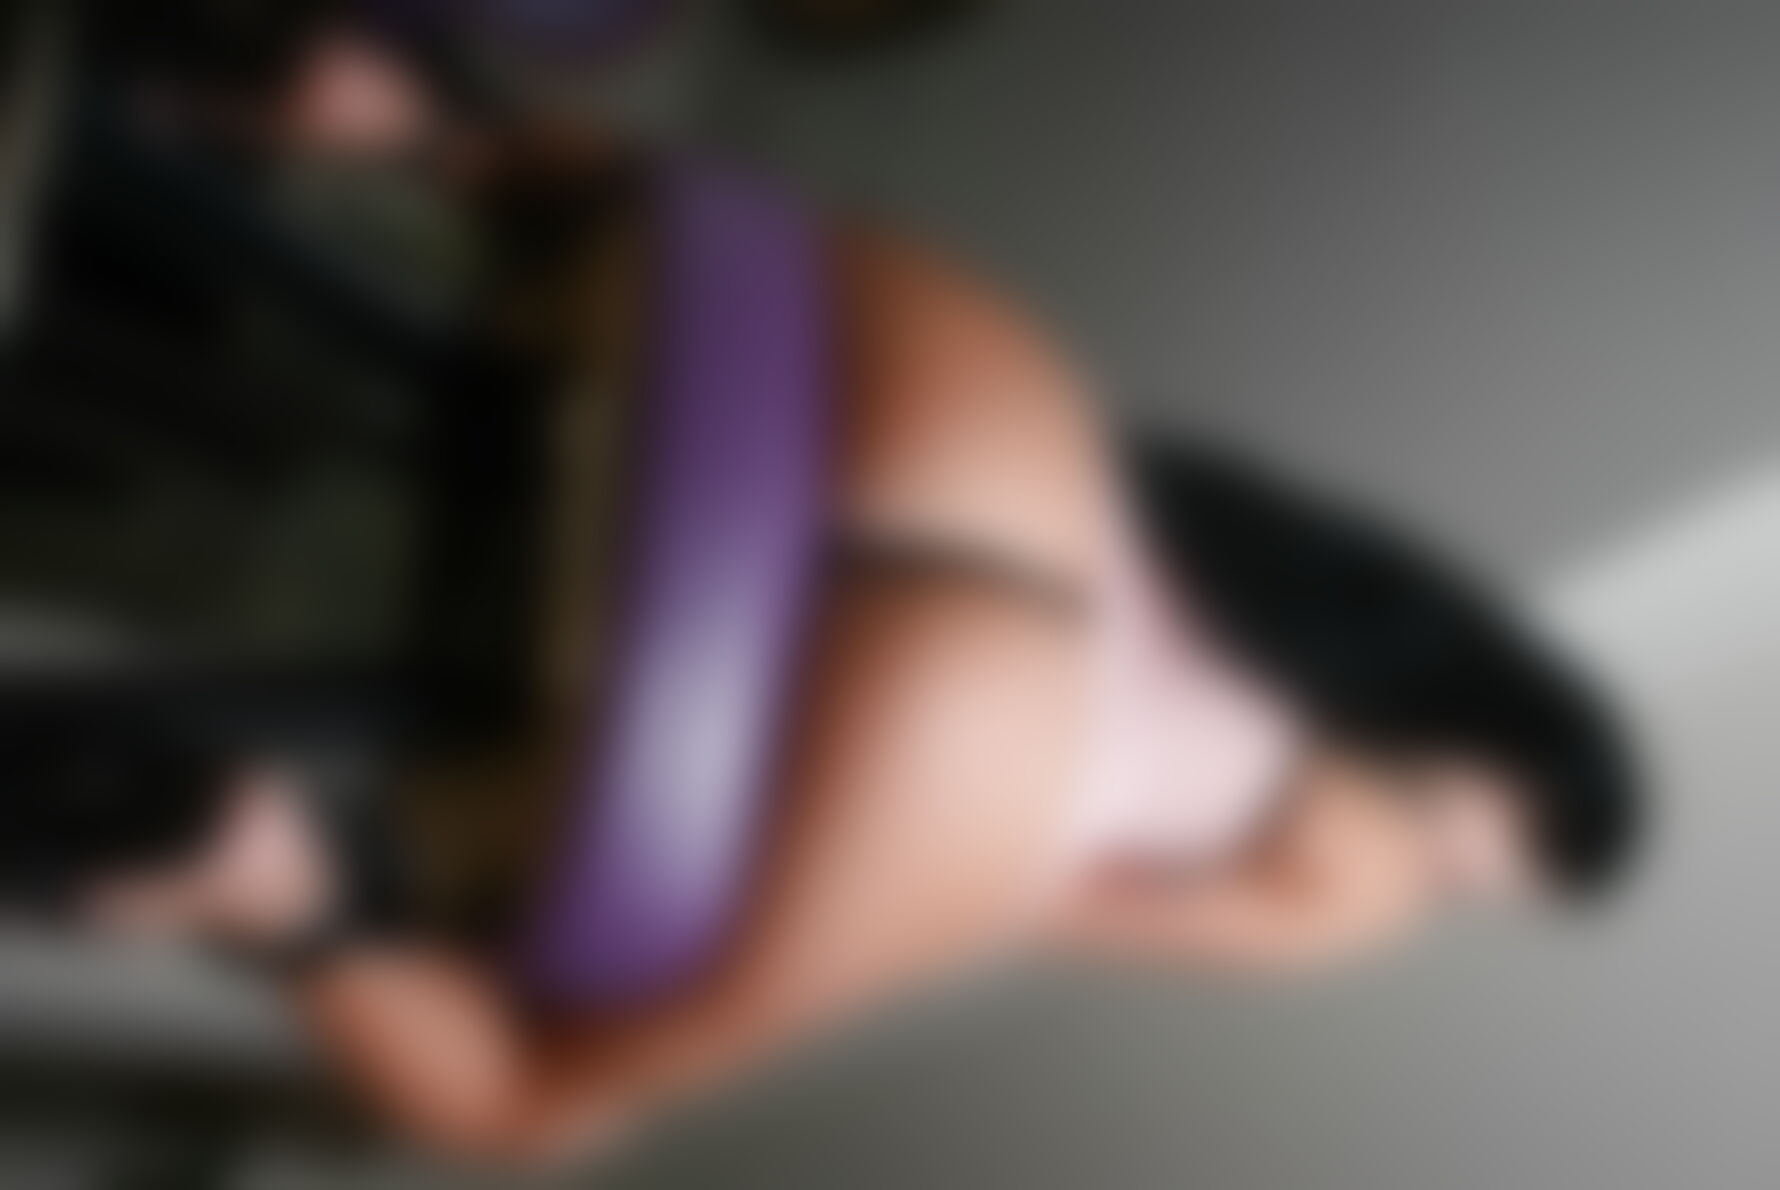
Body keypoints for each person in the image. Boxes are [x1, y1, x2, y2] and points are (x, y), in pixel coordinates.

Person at [0, 5, 1639, 1168]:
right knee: (535, 1107)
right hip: (986, 727)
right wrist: (837, 888)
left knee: (605, 200)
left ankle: (408, 123)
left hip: (993, 413)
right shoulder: (1375, 885)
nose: (1481, 882)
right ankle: (262, 871)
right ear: (1521, 783)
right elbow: (1059, 901)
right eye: (1520, 865)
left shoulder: (1346, 605)